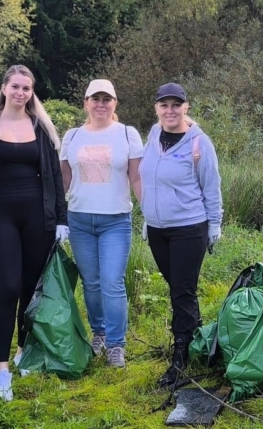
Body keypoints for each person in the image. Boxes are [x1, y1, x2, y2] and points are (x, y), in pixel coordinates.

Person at [0, 65, 67, 402]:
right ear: (4, 88)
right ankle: (0, 369)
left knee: (29, 288)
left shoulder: (41, 127)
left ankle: (23, 350)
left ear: (31, 92)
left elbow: (55, 176)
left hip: (37, 217)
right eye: (15, 87)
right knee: (8, 287)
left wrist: (61, 219)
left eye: (27, 88)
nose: (21, 93)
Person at [139, 82, 222, 388]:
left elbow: (211, 188)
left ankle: (180, 359)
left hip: (189, 228)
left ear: (187, 107)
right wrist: (148, 220)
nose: (170, 110)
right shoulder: (152, 135)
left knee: (182, 292)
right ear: (157, 108)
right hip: (158, 229)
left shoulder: (199, 143)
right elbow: (150, 181)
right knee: (178, 288)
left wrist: (214, 226)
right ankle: (197, 337)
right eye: (164, 105)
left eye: (177, 105)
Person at [59, 79, 143, 368]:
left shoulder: (127, 135)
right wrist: (57, 217)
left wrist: (150, 214)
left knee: (112, 282)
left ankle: (117, 345)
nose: (101, 104)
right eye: (95, 99)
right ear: (85, 103)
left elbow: (136, 177)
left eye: (107, 99)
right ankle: (99, 333)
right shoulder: (72, 137)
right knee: (91, 283)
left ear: (114, 103)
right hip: (79, 219)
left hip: (115, 221)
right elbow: (65, 179)